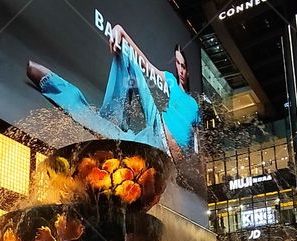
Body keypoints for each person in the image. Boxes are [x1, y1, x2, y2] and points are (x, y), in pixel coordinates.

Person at [27, 26, 199, 162]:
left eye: (183, 66)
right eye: (178, 64)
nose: (180, 69)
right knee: (127, 54)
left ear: (188, 71)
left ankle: (49, 82)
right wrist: (120, 31)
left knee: (104, 128)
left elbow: (195, 145)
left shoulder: (194, 105)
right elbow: (144, 63)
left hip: (159, 149)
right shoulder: (171, 81)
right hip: (158, 123)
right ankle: (52, 84)